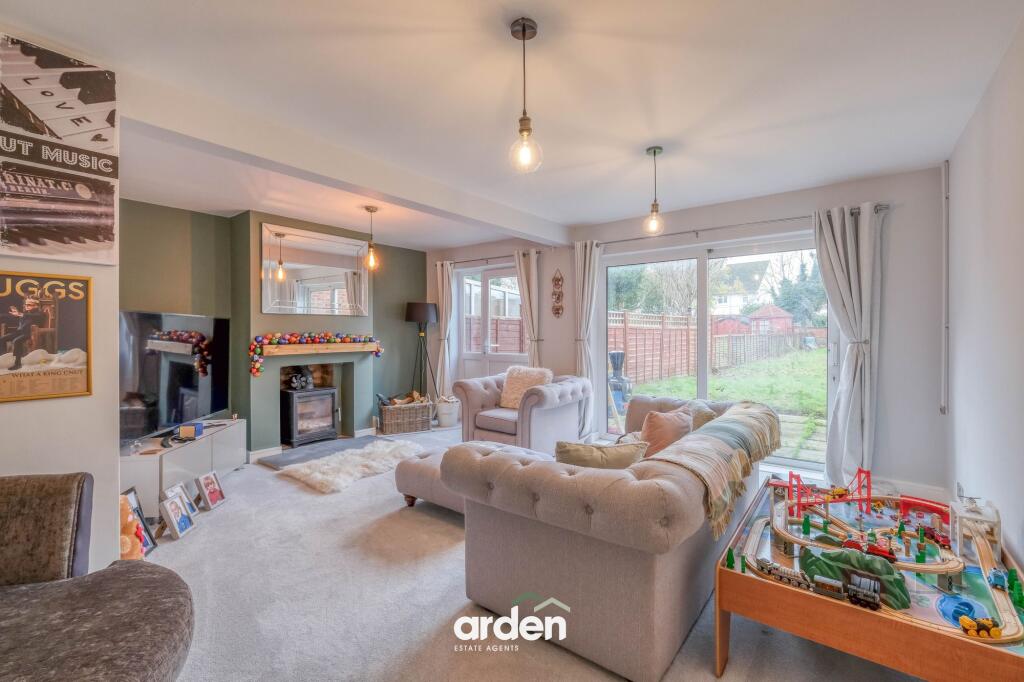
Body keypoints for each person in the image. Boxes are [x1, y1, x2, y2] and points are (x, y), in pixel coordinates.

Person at [0, 296, 47, 371]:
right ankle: (4, 358)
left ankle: (17, 364)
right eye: (26, 304)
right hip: (20, 332)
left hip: (30, 333)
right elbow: (18, 317)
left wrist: (20, 314)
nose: (26, 306)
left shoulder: (40, 313)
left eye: (29, 305)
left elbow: (34, 317)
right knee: (2, 339)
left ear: (36, 305)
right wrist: (15, 314)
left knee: (17, 341)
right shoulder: (26, 313)